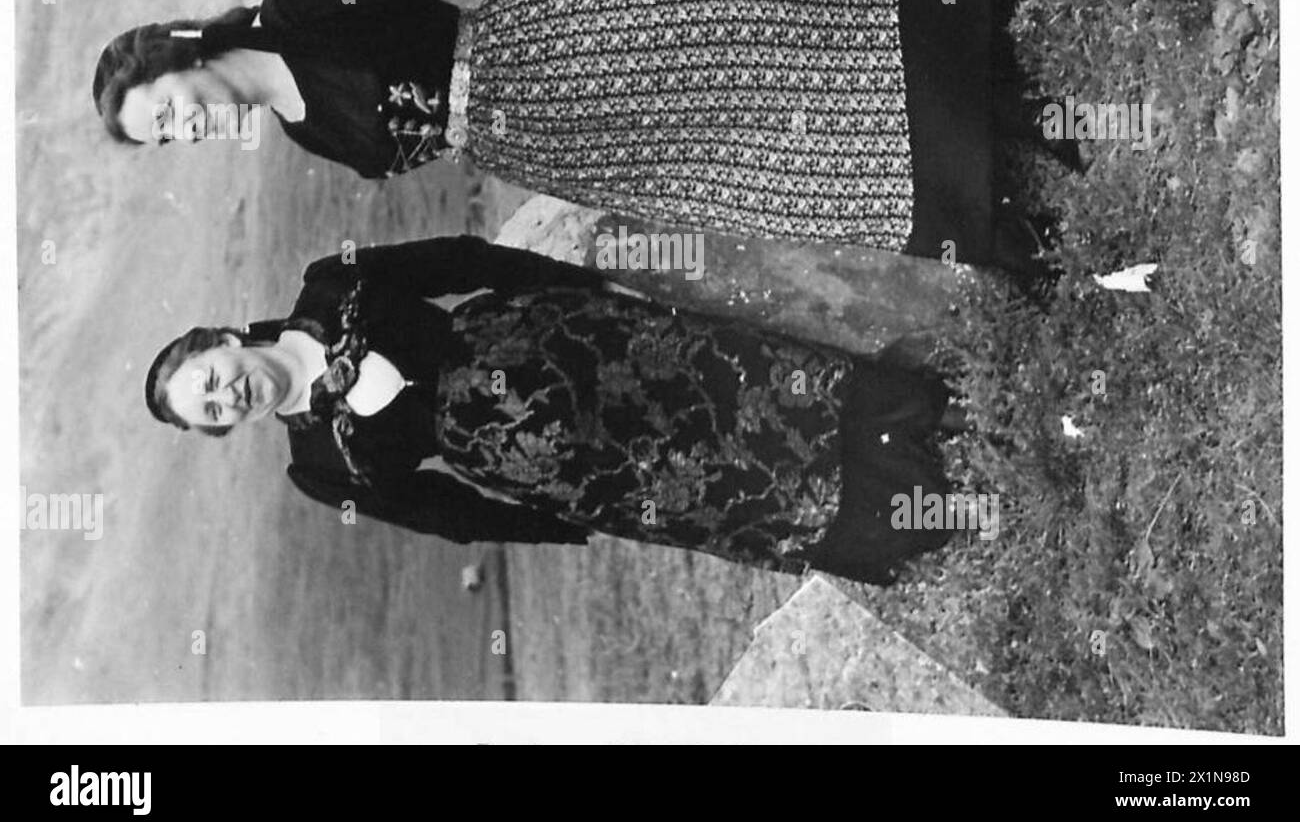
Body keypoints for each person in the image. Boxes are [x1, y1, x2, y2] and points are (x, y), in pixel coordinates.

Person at [95, 0, 1067, 269]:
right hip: (569, 150)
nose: (185, 129)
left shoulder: (308, 4)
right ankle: (965, 169)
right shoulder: (308, 133)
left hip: (553, 49)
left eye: (166, 108)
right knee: (755, 163)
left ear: (182, 52)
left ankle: (952, 6)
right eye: (166, 139)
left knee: (746, 7)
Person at [144, 235, 960, 585]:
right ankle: (903, 511)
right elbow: (445, 514)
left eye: (211, 376)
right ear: (227, 426)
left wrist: (568, 288)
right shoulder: (317, 469)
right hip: (562, 470)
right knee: (709, 484)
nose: (227, 393)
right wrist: (563, 524)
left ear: (220, 339)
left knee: (733, 384)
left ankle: (912, 414)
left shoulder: (331, 283)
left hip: (563, 346)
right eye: (213, 410)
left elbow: (461, 260)